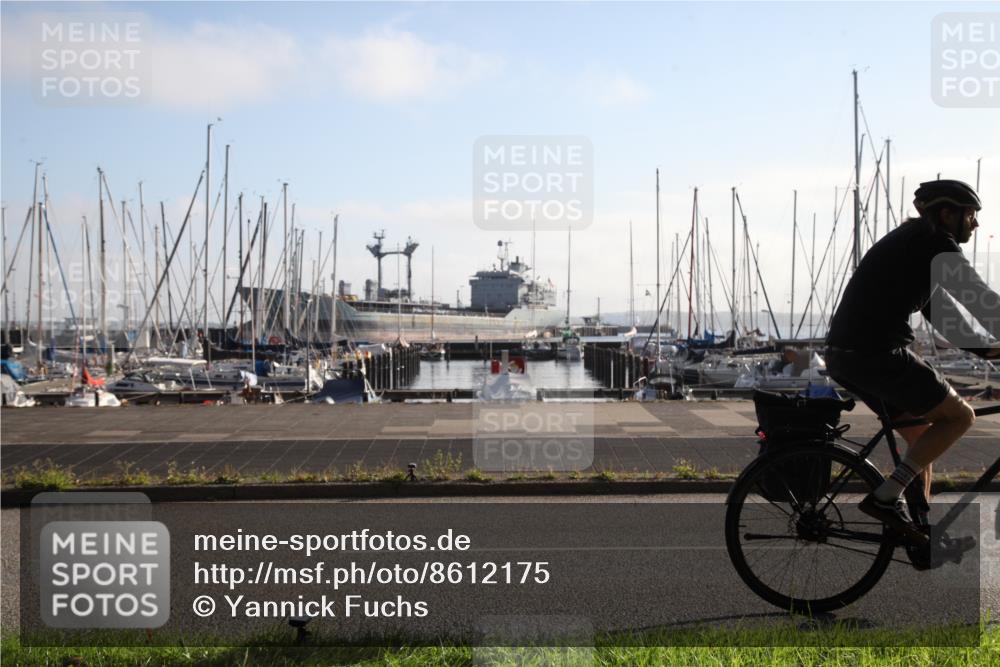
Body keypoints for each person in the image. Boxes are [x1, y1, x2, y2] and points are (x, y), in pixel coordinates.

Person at [825, 179, 999, 545]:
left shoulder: (915, 242)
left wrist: (988, 351)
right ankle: (886, 498)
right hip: (877, 354)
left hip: (849, 354)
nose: (976, 224)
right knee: (961, 416)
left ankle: (918, 530)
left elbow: (942, 312)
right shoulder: (935, 243)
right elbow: (980, 300)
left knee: (923, 438)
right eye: (971, 215)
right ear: (947, 214)